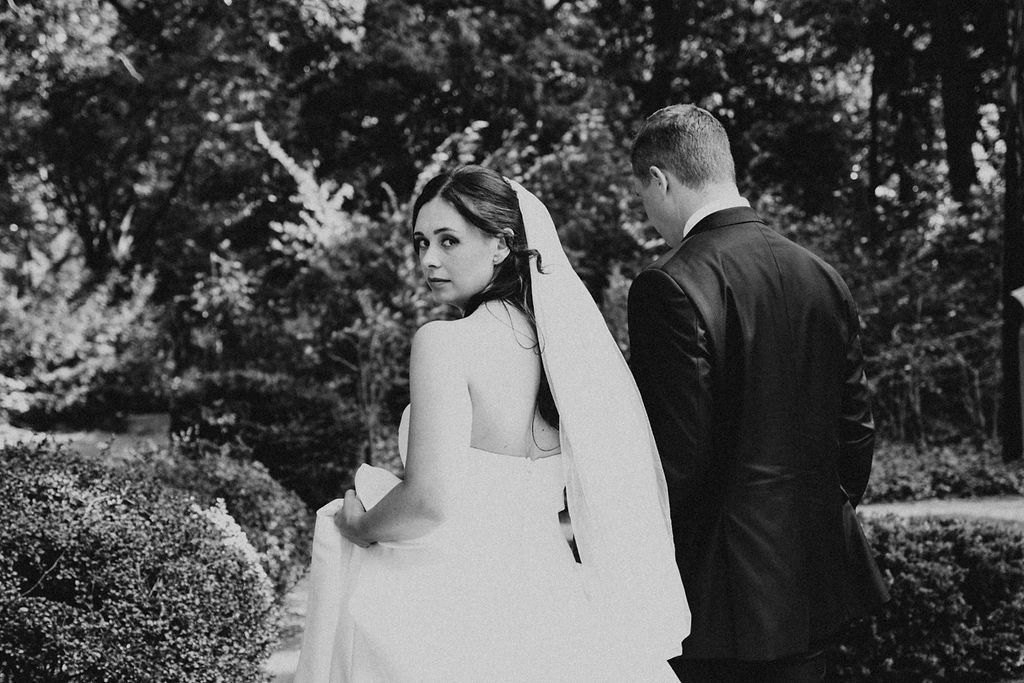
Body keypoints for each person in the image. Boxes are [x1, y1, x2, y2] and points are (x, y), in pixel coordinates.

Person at [293, 165, 690, 682]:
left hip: (452, 595)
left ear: (501, 246)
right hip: (551, 591)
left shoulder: (444, 343)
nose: (428, 259)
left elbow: (429, 501)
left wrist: (359, 524)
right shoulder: (563, 353)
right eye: (420, 242)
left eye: (448, 240)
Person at [626, 104, 889, 682]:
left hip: (718, 599)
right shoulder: (821, 274)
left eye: (642, 193)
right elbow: (856, 436)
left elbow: (675, 463)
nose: (647, 213)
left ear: (659, 179)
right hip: (814, 583)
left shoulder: (668, 285)